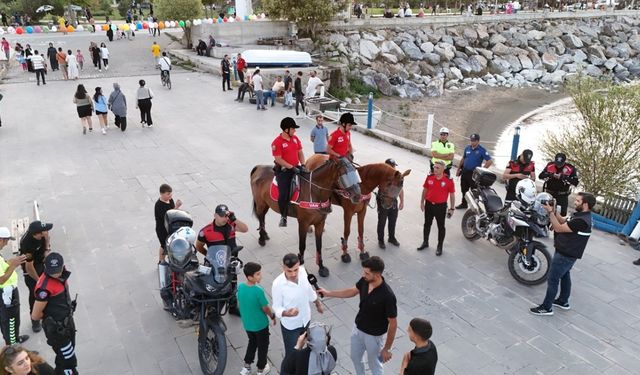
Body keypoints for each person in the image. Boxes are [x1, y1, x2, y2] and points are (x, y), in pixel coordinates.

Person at [317, 256, 397, 375]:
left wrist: (387, 348)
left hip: (374, 336)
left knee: (374, 364)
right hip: (358, 329)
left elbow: (393, 324)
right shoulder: (365, 280)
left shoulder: (388, 296)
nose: (363, 275)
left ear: (377, 275)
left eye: (367, 273)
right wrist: (328, 293)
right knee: (355, 357)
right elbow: (352, 291)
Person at [530, 192, 595, 316]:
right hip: (567, 252)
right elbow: (563, 220)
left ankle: (546, 308)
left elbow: (559, 227)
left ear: (585, 204)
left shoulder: (581, 221)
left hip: (566, 254)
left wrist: (550, 213)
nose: (575, 202)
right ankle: (563, 301)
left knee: (553, 279)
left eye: (577, 201)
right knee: (565, 275)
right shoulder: (581, 215)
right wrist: (553, 210)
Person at [195, 204, 249, 316]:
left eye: (226, 215)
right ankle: (212, 307)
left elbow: (245, 229)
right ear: (215, 215)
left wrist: (234, 219)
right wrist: (208, 255)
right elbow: (199, 246)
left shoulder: (232, 224)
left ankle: (232, 306)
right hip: (215, 263)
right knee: (214, 284)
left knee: (233, 283)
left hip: (231, 261)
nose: (224, 218)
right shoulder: (206, 231)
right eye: (221, 216)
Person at [31, 253, 78, 375]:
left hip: (67, 324)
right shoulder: (44, 288)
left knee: (67, 356)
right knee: (68, 361)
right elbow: (35, 315)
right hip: (58, 332)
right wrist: (50, 318)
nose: (55, 274)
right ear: (45, 267)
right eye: (51, 271)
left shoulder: (62, 274)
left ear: (63, 266)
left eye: (57, 270)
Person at [271, 253, 323, 356]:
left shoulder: (303, 272)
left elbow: (309, 291)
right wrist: (287, 313)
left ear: (299, 265)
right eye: (289, 271)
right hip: (291, 326)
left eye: (296, 270)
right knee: (292, 354)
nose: (293, 274)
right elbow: (276, 307)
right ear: (283, 268)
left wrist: (317, 303)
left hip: (306, 320)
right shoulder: (277, 284)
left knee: (304, 349)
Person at [237, 262, 275, 375]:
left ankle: (247, 366)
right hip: (260, 325)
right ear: (250, 277)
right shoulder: (258, 291)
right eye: (258, 274)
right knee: (263, 346)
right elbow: (265, 308)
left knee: (252, 342)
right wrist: (272, 316)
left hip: (248, 325)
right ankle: (261, 368)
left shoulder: (240, 287)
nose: (261, 276)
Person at [18, 221, 52, 334]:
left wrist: (47, 246)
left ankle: (47, 311)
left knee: (48, 289)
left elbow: (47, 238)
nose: (46, 233)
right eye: (43, 232)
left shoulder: (42, 235)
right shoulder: (27, 245)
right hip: (31, 270)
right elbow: (29, 267)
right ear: (36, 234)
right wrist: (39, 281)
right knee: (35, 294)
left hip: (40, 262)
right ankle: (35, 319)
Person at [272, 117, 305, 227]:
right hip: (284, 171)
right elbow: (278, 159)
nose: (294, 131)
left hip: (297, 167)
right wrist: (291, 167)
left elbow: (300, 152)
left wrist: (303, 164)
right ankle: (283, 216)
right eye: (293, 129)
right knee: (283, 194)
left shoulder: (295, 138)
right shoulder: (277, 142)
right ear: (286, 130)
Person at [417, 161, 455, 255]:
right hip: (429, 204)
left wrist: (452, 208)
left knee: (441, 227)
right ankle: (425, 242)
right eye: (434, 167)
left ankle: (439, 246)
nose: (435, 169)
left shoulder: (448, 181)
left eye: (437, 168)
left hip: (441, 207)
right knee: (427, 224)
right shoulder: (429, 177)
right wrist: (422, 202)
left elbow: (452, 195)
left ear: (443, 169)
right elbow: (425, 189)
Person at [0, 227, 29, 345]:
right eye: (6, 241)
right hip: (6, 295)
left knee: (10, 321)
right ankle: (13, 348)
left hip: (8, 293)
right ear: (1, 239)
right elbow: (1, 280)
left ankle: (14, 339)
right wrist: (14, 265)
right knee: (11, 321)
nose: (6, 244)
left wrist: (9, 262)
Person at [455, 133, 493, 209]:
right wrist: (458, 169)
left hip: (474, 173)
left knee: (474, 191)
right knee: (464, 189)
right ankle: (464, 203)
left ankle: (475, 207)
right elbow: (463, 158)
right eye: (471, 140)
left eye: (474, 141)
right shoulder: (467, 148)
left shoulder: (482, 150)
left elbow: (489, 161)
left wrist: (482, 170)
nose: (472, 142)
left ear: (478, 141)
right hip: (465, 171)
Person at [377, 158, 404, 249]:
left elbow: (400, 189)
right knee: (382, 220)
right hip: (383, 200)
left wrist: (402, 201)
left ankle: (391, 238)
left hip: (393, 200)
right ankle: (381, 240)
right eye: (393, 166)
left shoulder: (396, 175)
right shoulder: (382, 176)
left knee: (393, 219)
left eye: (394, 166)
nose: (394, 168)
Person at [154, 184, 182, 263]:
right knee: (164, 245)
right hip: (162, 229)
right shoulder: (159, 205)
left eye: (171, 193)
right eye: (168, 194)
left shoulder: (170, 200)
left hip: (170, 227)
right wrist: (176, 207)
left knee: (170, 245)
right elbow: (169, 217)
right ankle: (161, 261)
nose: (170, 195)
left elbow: (173, 211)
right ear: (162, 194)